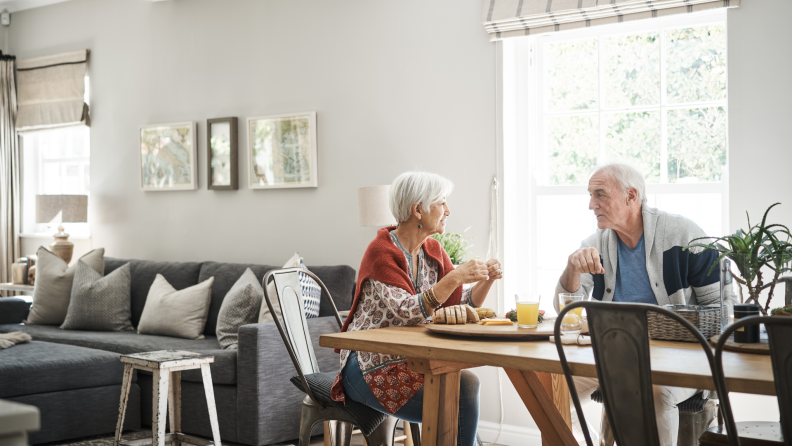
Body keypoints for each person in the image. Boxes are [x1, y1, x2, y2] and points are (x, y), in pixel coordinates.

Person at [556, 162, 732, 446]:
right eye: (590, 195)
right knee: (552, 388)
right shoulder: (595, 245)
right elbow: (564, 312)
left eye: (600, 194)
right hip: (614, 358)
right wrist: (573, 267)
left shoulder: (684, 234)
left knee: (655, 392)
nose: (591, 204)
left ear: (631, 195)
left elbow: (723, 308)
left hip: (682, 361)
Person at [331, 171, 503, 446]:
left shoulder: (432, 250)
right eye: (442, 202)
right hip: (368, 367)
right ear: (418, 210)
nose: (448, 210)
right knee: (457, 405)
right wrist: (456, 276)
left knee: (466, 386)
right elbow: (408, 309)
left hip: (411, 359)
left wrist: (488, 280)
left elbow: (458, 304)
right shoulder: (380, 253)